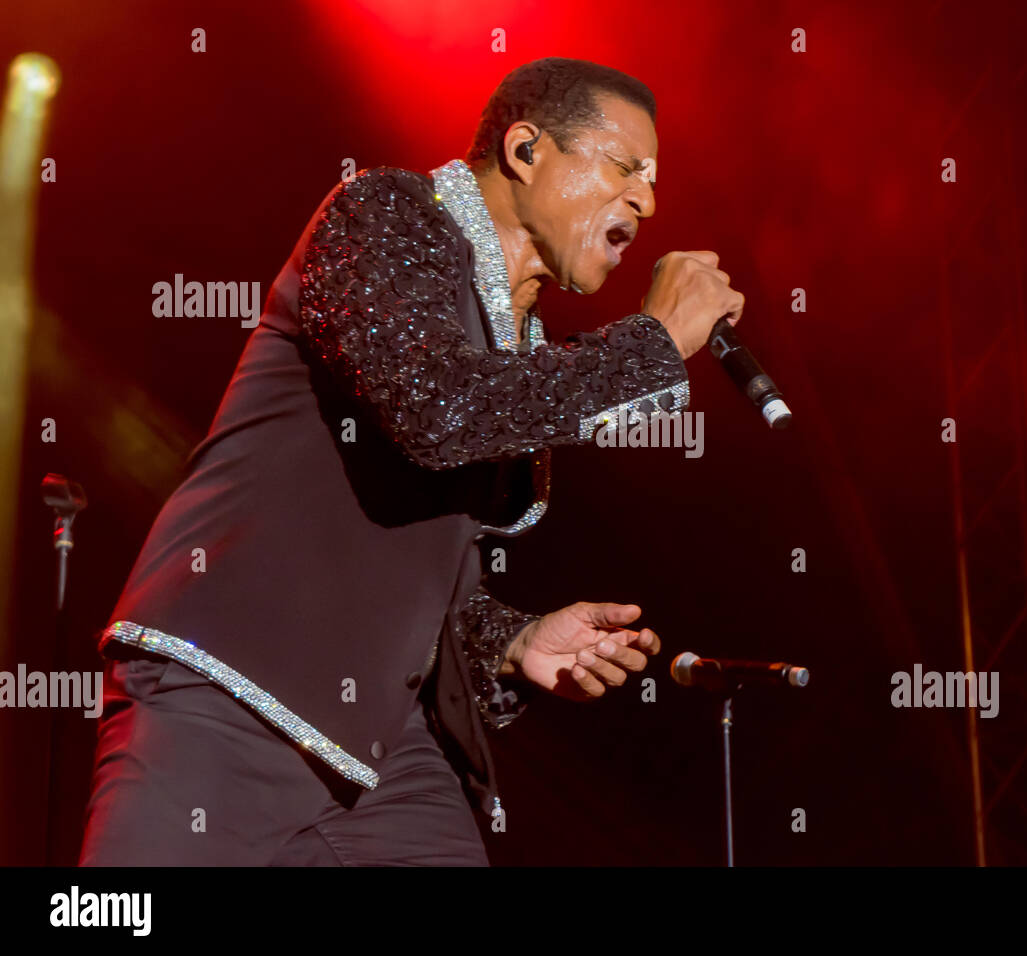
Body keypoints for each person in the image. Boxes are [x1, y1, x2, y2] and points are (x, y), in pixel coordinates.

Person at [78, 56, 744, 865]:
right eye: (625, 166)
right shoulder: (388, 214)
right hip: (226, 695)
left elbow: (413, 554)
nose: (647, 198)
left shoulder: (514, 341)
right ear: (526, 151)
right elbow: (438, 409)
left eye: (653, 177)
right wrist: (656, 343)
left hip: (387, 754)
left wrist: (512, 639)